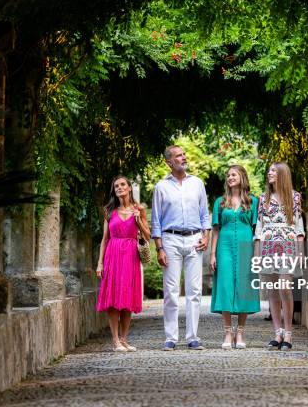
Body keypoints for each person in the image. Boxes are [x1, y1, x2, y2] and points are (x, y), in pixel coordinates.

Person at [151, 145, 211, 351]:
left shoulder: (197, 183)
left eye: (184, 154)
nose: (183, 158)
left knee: (194, 291)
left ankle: (193, 337)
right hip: (171, 240)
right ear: (169, 162)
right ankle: (171, 337)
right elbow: (156, 220)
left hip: (195, 239)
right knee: (171, 291)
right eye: (178, 156)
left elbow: (205, 214)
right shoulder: (161, 187)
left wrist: (206, 236)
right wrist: (159, 248)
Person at [254, 162, 305, 350]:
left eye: (273, 171)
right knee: (272, 290)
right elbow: (259, 227)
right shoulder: (263, 198)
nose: (269, 173)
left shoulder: (295, 197)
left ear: (282, 174)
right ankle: (277, 333)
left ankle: (289, 333)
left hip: (288, 244)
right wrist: (257, 254)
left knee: (285, 287)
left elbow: (299, 226)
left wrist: (301, 251)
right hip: (268, 244)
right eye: (269, 170)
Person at [96, 175, 150, 352]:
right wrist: (100, 263)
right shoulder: (109, 211)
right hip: (113, 254)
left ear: (129, 188)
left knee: (127, 296)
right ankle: (115, 340)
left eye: (122, 185)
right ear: (114, 190)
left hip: (131, 255)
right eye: (116, 186)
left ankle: (124, 339)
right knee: (113, 298)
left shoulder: (139, 209)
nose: (119, 188)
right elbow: (104, 239)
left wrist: (137, 220)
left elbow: (148, 236)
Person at [210, 165, 260, 350]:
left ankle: (240, 333)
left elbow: (258, 231)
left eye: (234, 174)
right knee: (225, 286)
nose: (230, 177)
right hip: (224, 247)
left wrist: (256, 254)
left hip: (246, 246)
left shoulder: (253, 202)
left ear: (242, 177)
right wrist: (213, 254)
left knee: (243, 287)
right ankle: (227, 332)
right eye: (228, 175)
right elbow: (216, 230)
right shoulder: (220, 202)